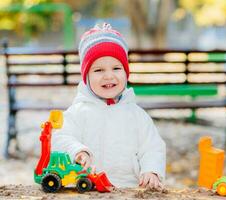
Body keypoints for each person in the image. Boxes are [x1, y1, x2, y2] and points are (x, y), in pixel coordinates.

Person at [52, 23, 166, 189]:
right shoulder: (79, 111)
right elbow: (60, 137)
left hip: (129, 188)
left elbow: (152, 147)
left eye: (116, 68)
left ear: (126, 72)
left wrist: (151, 170)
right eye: (98, 70)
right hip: (88, 187)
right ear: (86, 77)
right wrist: (77, 151)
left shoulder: (136, 114)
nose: (108, 76)